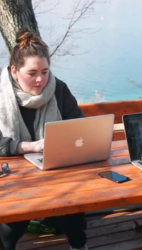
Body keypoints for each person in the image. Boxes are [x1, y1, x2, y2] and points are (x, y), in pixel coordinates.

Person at [0, 28, 88, 250]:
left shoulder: (58, 89)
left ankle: (79, 246)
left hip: (54, 168)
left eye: (45, 71)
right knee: (13, 221)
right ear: (14, 71)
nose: (40, 80)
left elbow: (79, 126)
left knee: (72, 202)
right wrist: (28, 146)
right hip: (12, 175)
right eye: (32, 73)